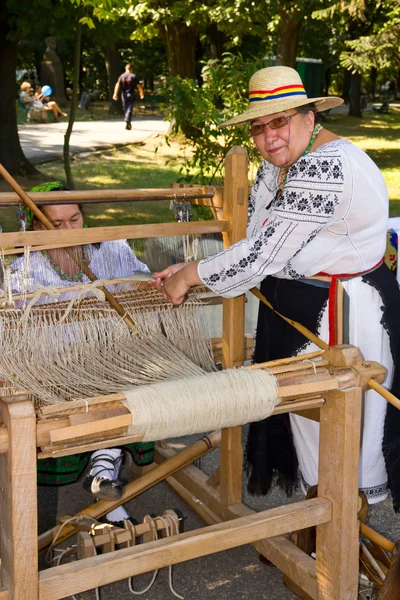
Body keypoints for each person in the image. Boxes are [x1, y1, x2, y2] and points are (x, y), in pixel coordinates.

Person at [153, 66, 400, 512]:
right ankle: (321, 525)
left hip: (345, 319)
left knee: (340, 435)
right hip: (305, 311)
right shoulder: (280, 169)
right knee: (310, 430)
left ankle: (340, 540)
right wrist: (189, 266)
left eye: (280, 122)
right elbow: (259, 241)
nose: (269, 138)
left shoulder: (327, 168)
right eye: (259, 128)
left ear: (309, 116)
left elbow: (261, 257)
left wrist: (190, 275)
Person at [10, 182, 154, 525]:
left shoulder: (111, 252)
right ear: (34, 227)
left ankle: (103, 469)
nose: (69, 231)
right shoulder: (24, 274)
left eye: (75, 219)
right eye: (56, 225)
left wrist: (143, 286)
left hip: (107, 359)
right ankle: (105, 471)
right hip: (50, 368)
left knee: (130, 373)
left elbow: (145, 287)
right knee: (102, 382)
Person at [113, 63, 144, 130]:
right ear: (131, 69)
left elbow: (117, 85)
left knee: (125, 108)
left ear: (125, 69)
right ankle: (128, 120)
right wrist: (141, 93)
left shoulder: (122, 76)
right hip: (131, 94)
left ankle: (127, 120)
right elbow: (139, 86)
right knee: (129, 108)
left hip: (123, 94)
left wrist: (115, 93)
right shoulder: (133, 76)